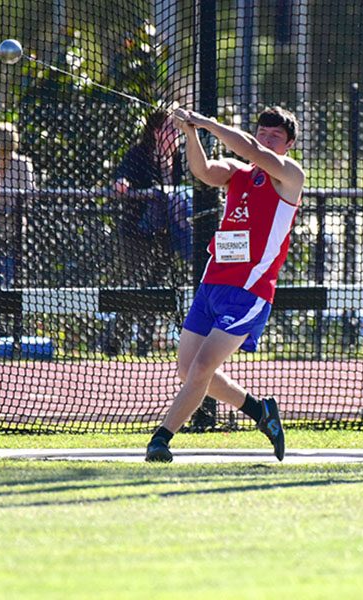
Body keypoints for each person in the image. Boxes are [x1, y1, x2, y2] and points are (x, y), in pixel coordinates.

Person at [145, 106, 305, 463]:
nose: (266, 139)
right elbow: (203, 171)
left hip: (248, 292)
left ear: (289, 144)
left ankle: (161, 439)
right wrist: (190, 133)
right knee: (187, 369)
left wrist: (206, 123)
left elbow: (252, 150)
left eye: (275, 136)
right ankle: (259, 411)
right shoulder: (239, 173)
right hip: (212, 284)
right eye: (262, 132)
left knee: (201, 369)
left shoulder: (290, 176)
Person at [106, 109, 187, 357]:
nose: (175, 134)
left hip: (166, 233)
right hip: (136, 232)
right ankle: (114, 342)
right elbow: (122, 175)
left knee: (157, 287)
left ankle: (144, 345)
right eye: (171, 129)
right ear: (156, 132)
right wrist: (122, 183)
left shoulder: (181, 157)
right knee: (134, 286)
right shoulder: (140, 153)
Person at [0, 121, 35, 291]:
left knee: (7, 273)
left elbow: (28, 194)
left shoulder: (22, 164)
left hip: (12, 228)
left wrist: (9, 209)